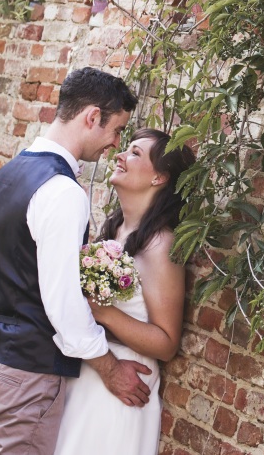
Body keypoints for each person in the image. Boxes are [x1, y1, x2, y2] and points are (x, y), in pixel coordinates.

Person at [0, 67, 152, 455]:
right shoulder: (62, 191)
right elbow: (64, 304)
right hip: (21, 377)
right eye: (116, 129)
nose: (114, 143)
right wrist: (109, 369)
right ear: (92, 116)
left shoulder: (10, 172)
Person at [53, 128, 195, 455]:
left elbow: (167, 343)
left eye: (134, 153)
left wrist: (103, 312)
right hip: (89, 372)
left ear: (159, 177)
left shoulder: (162, 246)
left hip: (123, 389)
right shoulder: (114, 228)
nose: (119, 155)